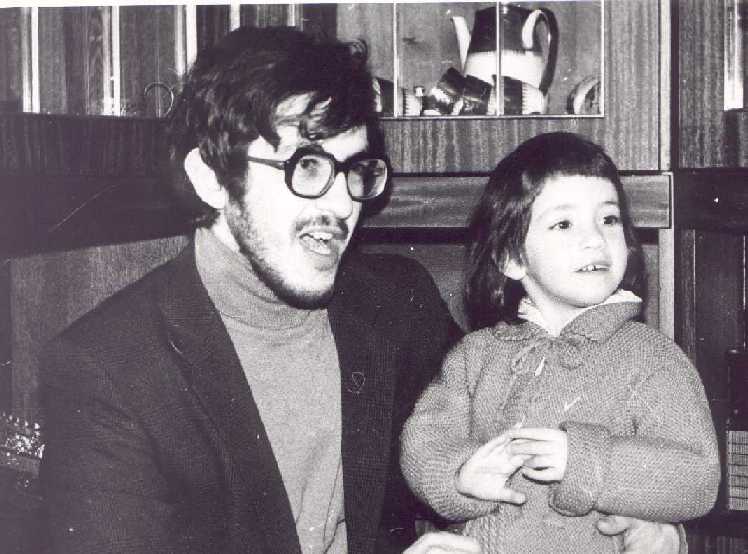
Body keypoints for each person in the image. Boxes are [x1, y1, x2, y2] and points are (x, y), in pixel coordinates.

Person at [38, 26, 684, 554]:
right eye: (307, 166)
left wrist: (639, 522)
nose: (341, 204)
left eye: (355, 170)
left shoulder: (395, 303)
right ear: (211, 178)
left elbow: (502, 448)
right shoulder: (108, 367)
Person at [400, 132, 721, 553]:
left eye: (609, 220)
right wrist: (460, 477)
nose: (595, 239)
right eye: (564, 224)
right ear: (512, 258)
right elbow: (424, 442)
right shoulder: (473, 357)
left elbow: (698, 478)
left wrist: (584, 461)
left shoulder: (651, 358)